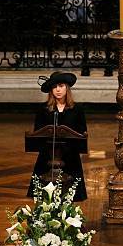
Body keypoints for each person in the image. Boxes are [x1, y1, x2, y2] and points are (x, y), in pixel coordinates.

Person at [27, 72, 88, 201]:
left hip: (70, 156)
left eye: (61, 86)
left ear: (67, 88)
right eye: (55, 87)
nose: (58, 90)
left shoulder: (77, 109)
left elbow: (82, 132)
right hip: (48, 155)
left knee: (71, 195)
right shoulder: (43, 109)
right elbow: (37, 131)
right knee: (45, 197)